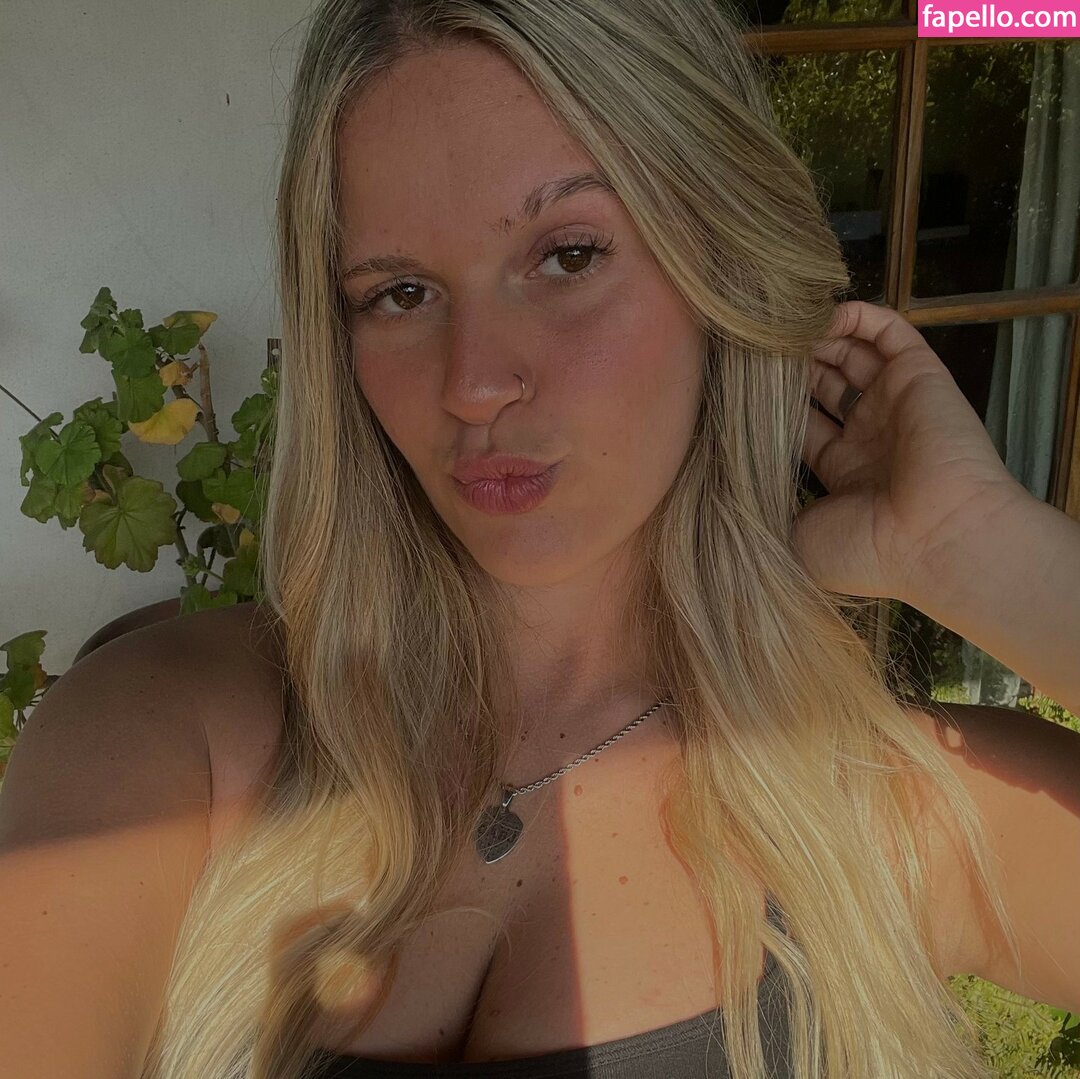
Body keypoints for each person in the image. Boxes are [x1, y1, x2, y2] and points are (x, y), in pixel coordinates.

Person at [5, 1, 1080, 1077]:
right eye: (400, 292)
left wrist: (979, 550)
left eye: (567, 255)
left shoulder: (888, 807)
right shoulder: (162, 742)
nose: (474, 383)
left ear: (722, 273)